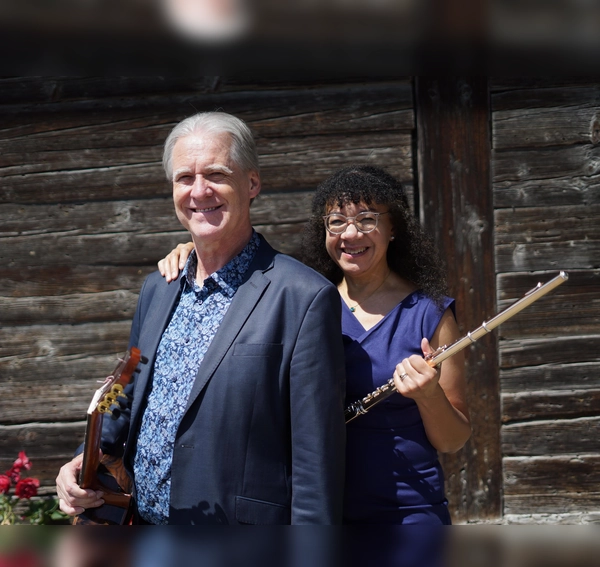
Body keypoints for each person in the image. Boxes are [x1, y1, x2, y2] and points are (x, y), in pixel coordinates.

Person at [56, 112, 347, 525]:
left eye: (216, 173)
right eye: (184, 178)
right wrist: (83, 458)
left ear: (252, 183)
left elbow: (316, 463)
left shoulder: (303, 297)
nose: (199, 190)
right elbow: (129, 391)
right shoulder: (158, 288)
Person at [160, 165, 471, 525]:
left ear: (393, 228)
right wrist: (194, 251)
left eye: (367, 220)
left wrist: (428, 395)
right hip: (314, 510)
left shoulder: (431, 316)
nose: (350, 234)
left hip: (405, 511)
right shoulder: (303, 300)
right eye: (336, 222)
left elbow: (453, 440)